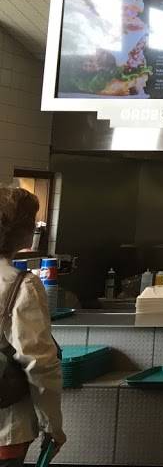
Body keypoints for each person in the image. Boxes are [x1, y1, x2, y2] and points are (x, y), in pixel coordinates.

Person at [0, 187, 64, 466]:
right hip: (6, 428)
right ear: (24, 233)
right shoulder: (20, 285)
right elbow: (39, 363)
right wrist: (53, 425)